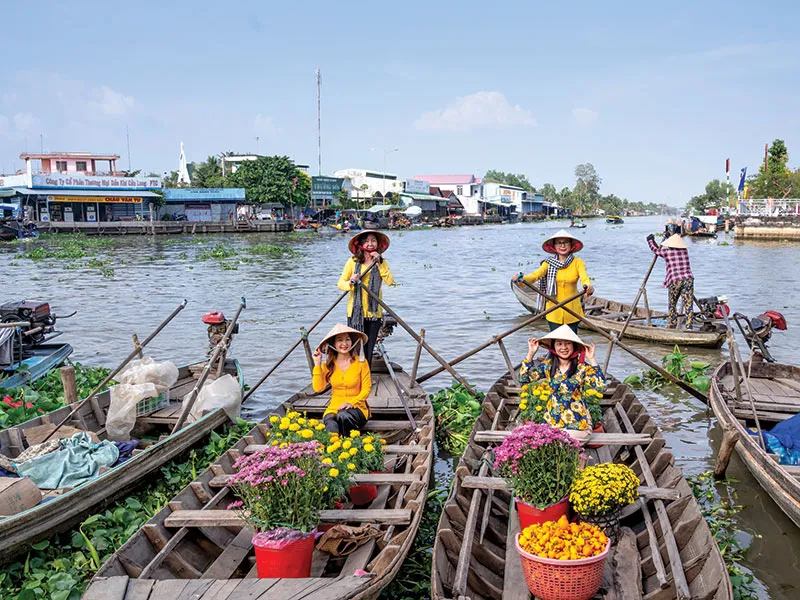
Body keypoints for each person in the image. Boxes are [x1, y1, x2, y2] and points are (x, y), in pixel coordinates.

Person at [519, 325, 606, 432]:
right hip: (551, 421)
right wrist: (531, 353)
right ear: (554, 347)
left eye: (568, 343)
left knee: (568, 438)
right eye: (559, 344)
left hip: (577, 423)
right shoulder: (548, 366)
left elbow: (601, 387)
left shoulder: (582, 367)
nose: (563, 348)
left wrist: (592, 359)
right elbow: (524, 379)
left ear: (574, 346)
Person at [512, 229, 594, 333]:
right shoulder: (548, 263)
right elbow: (536, 275)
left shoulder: (578, 262)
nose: (562, 246)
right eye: (559, 243)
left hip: (572, 310)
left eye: (566, 242)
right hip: (554, 310)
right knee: (555, 340)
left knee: (572, 340)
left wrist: (588, 286)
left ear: (571, 245)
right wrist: (521, 279)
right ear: (554, 246)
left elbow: (584, 277)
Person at [337, 231, 394, 364]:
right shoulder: (353, 262)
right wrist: (351, 282)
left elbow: (390, 281)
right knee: (356, 348)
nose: (370, 244)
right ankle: (356, 372)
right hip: (356, 312)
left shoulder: (382, 262)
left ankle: (367, 373)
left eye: (373, 240)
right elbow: (340, 284)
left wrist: (379, 264)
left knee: (369, 348)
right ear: (361, 244)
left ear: (378, 243)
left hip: (374, 312)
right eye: (367, 241)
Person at [312, 324, 370, 436]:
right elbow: (318, 388)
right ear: (333, 344)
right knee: (331, 423)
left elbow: (366, 390)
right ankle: (335, 445)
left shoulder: (361, 363)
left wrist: (351, 403)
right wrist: (317, 364)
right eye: (340, 340)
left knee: (343, 416)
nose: (344, 343)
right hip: (334, 408)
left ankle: (349, 442)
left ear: (352, 342)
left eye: (347, 339)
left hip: (357, 408)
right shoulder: (328, 365)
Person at [647, 233, 694, 329]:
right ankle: (689, 326)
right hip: (688, 279)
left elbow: (656, 250)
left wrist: (650, 241)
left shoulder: (667, 253)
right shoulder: (685, 251)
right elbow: (667, 246)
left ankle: (672, 322)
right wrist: (668, 237)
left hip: (675, 280)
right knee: (688, 303)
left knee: (672, 303)